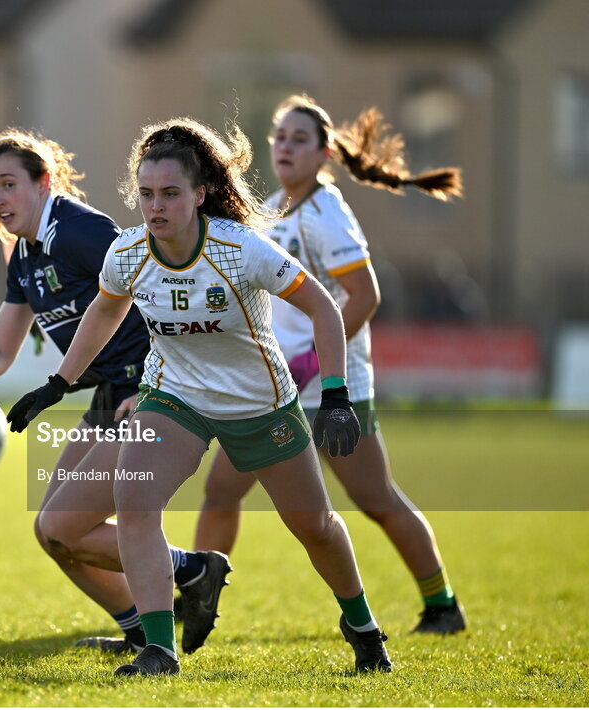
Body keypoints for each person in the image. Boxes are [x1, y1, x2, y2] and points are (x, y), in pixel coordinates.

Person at [6, 117, 393, 677]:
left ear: (200, 194)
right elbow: (106, 310)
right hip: (173, 398)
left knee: (315, 527)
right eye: (145, 194)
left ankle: (361, 625)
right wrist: (58, 383)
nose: (155, 207)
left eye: (169, 194)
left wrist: (334, 394)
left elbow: (324, 309)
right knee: (134, 505)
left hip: (260, 404)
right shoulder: (129, 252)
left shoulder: (241, 250)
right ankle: (159, 650)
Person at [0, 130, 231, 657]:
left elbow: (161, 294)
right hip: (108, 396)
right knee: (54, 535)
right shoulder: (24, 256)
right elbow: (0, 350)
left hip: (152, 392)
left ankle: (190, 572)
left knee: (61, 526)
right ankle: (146, 624)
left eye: (9, 185)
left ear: (43, 183)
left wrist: (157, 385)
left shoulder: (80, 232)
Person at [192, 95, 467, 634]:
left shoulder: (326, 212)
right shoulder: (273, 207)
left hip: (333, 388)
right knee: (221, 490)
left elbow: (364, 297)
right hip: (277, 387)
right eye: (280, 137)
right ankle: (192, 603)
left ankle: (443, 605)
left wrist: (315, 364)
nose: (286, 146)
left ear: (324, 156)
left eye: (300, 139)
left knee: (375, 499)